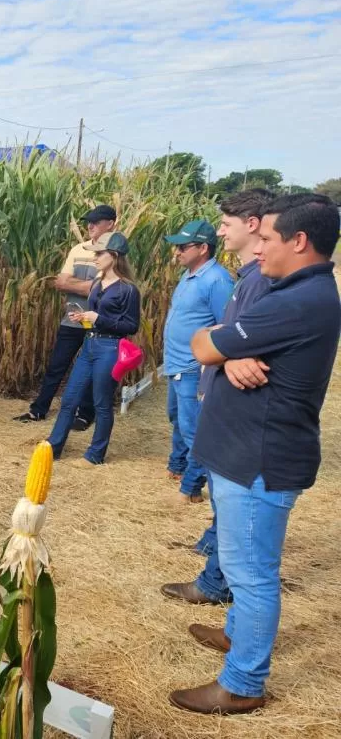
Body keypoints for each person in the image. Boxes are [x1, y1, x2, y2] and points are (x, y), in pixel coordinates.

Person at [169, 193, 340, 715]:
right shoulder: (288, 290)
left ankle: (243, 682)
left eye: (267, 238)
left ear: (299, 241)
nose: (258, 247)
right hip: (247, 453)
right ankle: (237, 636)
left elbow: (204, 346)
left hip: (259, 460)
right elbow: (213, 342)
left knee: (252, 574)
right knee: (248, 566)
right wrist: (226, 351)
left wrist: (219, 348)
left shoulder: (298, 301)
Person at [161, 189, 274, 607]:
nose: (223, 229)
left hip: (205, 379)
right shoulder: (230, 278)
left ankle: (213, 553)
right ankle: (213, 548)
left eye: (227, 223)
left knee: (205, 451)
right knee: (190, 437)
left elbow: (225, 334)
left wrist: (215, 358)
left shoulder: (231, 280)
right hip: (190, 371)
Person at [14, 205, 113, 426]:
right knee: (56, 365)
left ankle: (85, 414)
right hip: (72, 319)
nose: (90, 226)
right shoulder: (78, 249)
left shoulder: (114, 252)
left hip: (98, 323)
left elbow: (98, 289)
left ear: (110, 224)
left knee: (93, 371)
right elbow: (60, 282)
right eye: (89, 222)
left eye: (96, 222)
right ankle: (39, 410)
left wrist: (76, 285)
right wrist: (86, 285)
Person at [47, 232, 140, 463]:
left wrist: (98, 318)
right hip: (90, 344)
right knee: (69, 398)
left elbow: (132, 325)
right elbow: (98, 316)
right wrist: (84, 318)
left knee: (101, 402)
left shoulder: (128, 290)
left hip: (110, 348)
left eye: (100, 253)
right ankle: (53, 447)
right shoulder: (98, 283)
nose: (95, 258)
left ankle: (95, 454)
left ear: (114, 255)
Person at [163, 220, 234, 503]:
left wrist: (209, 368)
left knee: (194, 430)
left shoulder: (217, 280)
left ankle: (191, 488)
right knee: (177, 418)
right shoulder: (190, 274)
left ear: (203, 248)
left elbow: (225, 327)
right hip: (176, 363)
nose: (177, 252)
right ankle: (178, 466)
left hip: (193, 368)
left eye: (183, 246)